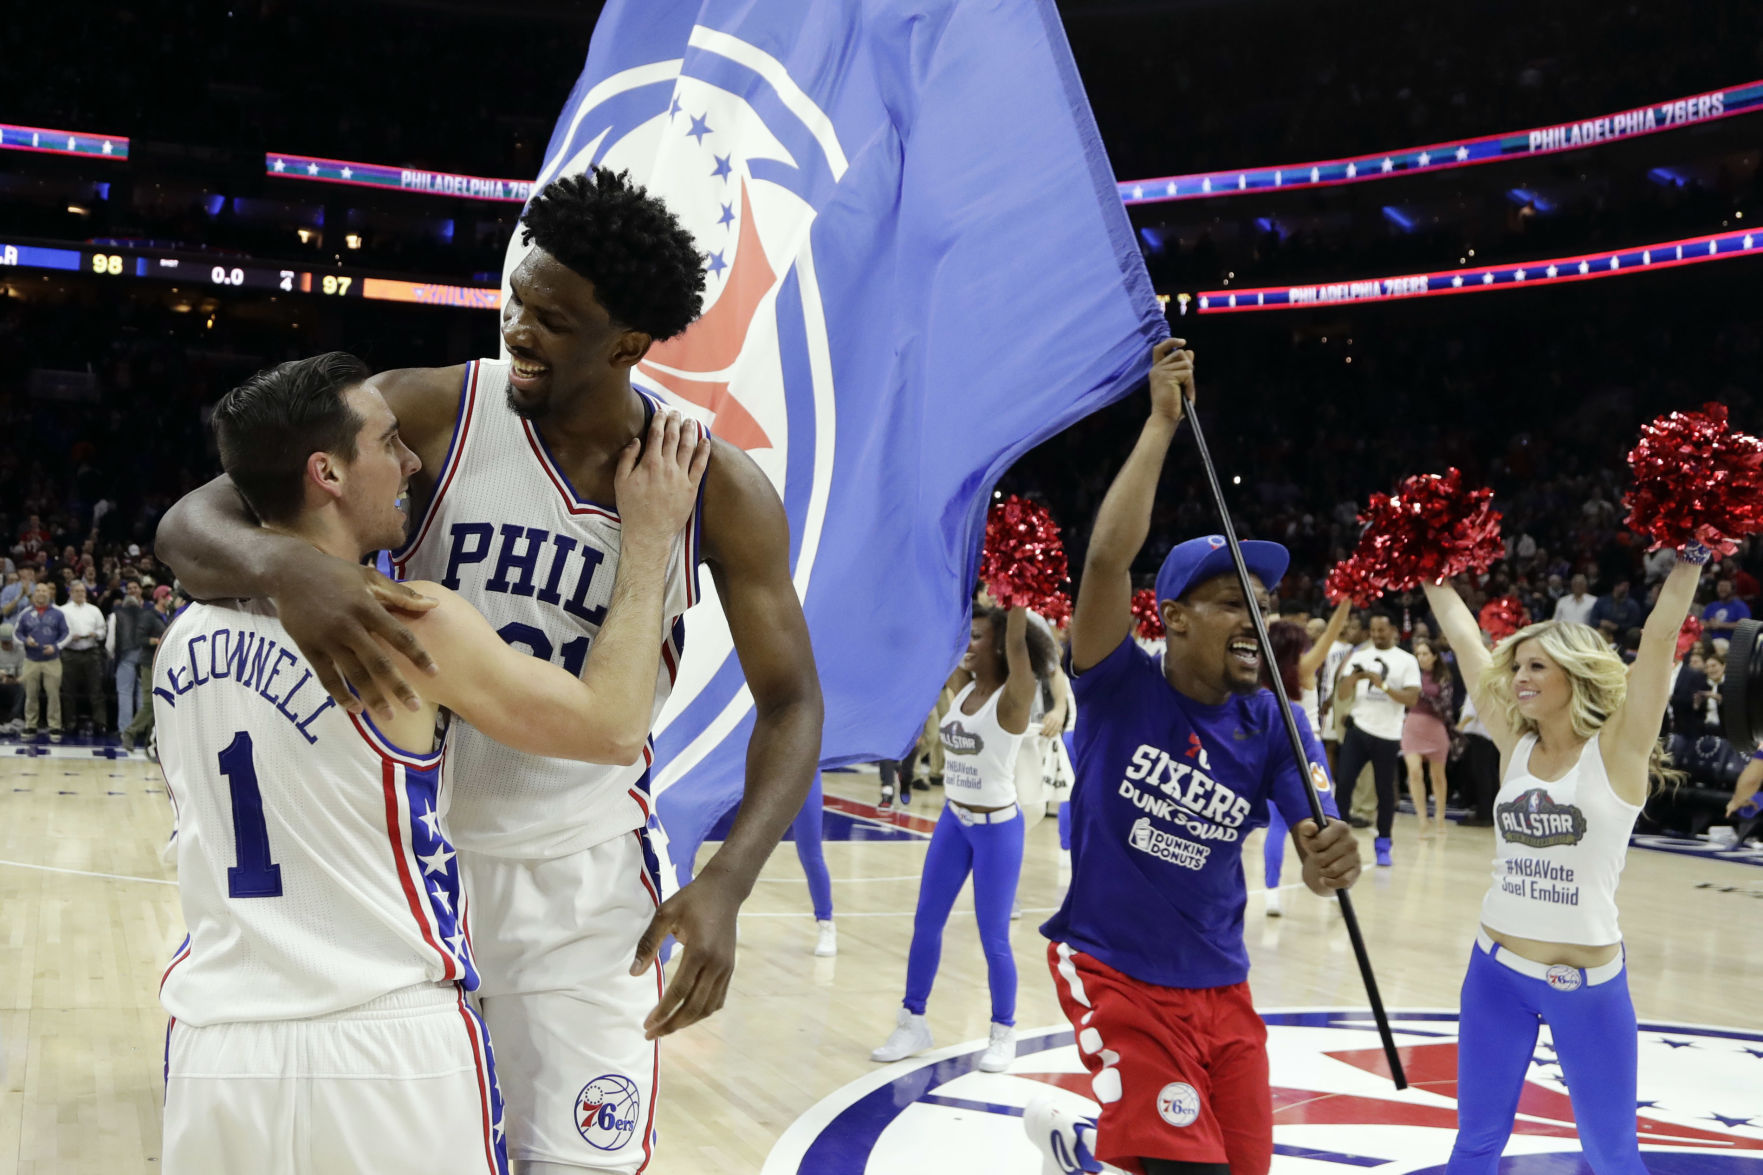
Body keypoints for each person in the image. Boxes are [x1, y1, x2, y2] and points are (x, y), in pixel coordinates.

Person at [156, 167, 824, 1174]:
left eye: (553, 320)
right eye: (518, 298)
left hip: (578, 885)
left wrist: (728, 878)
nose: (519, 328)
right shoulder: (428, 411)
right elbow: (192, 519)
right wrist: (288, 565)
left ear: (628, 344)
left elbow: (792, 700)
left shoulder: (714, 487)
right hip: (410, 879)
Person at [157, 352, 705, 1174]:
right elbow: (614, 726)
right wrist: (652, 539)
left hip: (215, 1045)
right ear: (327, 472)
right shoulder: (405, 624)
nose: (412, 459)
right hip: (386, 1040)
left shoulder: (180, 641)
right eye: (388, 443)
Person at [1025, 340, 1359, 1175]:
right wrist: (1160, 423)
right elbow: (1105, 561)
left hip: (1222, 987)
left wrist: (1331, 857)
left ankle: (1080, 1148)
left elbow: (1320, 857)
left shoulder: (1276, 718)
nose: (1258, 614)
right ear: (1172, 617)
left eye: (1267, 601)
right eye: (1229, 601)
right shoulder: (1116, 683)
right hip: (1114, 972)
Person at [1423, 544, 1704, 1175]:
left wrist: (1691, 556)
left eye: (1537, 667)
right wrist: (1429, 570)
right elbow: (1468, 645)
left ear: (1575, 676)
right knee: (1473, 1144)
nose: (1519, 677)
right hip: (1494, 974)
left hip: (1590, 988)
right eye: (1518, 665)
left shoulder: (1620, 750)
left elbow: (1658, 643)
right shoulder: (1513, 744)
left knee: (1612, 1154)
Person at [871, 601, 1057, 1072]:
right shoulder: (961, 691)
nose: (968, 645)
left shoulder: (1014, 697)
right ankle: (912, 1021)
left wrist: (1012, 590)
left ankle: (1003, 1031)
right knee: (925, 924)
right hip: (953, 823)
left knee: (994, 937)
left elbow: (1018, 642)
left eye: (977, 637)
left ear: (998, 644)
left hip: (998, 830)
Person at [1335, 609, 1422, 866]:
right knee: (1345, 785)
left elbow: (1412, 699)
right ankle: (1338, 841)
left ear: (1393, 630)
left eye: (1381, 630)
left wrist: (1382, 685)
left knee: (1385, 792)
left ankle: (1383, 843)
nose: (1376, 634)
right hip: (1359, 728)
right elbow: (1341, 695)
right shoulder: (1360, 656)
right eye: (1372, 630)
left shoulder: (1406, 660)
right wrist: (1353, 678)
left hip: (1388, 734)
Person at [1401, 637, 1455, 838]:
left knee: (1437, 776)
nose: (1421, 658)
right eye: (1418, 654)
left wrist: (1421, 694)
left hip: (1435, 727)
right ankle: (1422, 818)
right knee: (1414, 772)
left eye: (1425, 654)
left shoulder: (1444, 677)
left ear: (1434, 656)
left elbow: (1444, 705)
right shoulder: (1410, 674)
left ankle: (1440, 816)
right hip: (1413, 725)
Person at [121, 585, 173, 751]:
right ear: (160, 597)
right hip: (148, 663)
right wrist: (156, 641)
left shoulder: (167, 616)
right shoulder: (149, 616)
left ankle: (150, 741)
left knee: (160, 704)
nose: (169, 600)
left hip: (163, 665)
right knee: (150, 703)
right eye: (167, 597)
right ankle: (130, 732)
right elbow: (139, 638)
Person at [15, 582, 68, 741]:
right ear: (34, 594)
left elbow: (67, 633)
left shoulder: (58, 612)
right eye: (38, 590)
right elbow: (16, 634)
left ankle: (55, 727)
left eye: (44, 591)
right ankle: (31, 725)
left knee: (53, 694)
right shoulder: (25, 613)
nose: (41, 593)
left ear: (49, 594)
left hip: (52, 660)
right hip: (31, 660)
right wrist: (25, 640)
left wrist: (56, 646)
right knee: (31, 694)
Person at [58, 579, 107, 735]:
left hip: (91, 651)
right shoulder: (62, 610)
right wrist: (70, 637)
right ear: (70, 593)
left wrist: (96, 634)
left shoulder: (94, 610)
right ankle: (70, 722)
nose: (80, 594)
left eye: (83, 591)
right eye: (77, 591)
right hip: (70, 652)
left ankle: (100, 723)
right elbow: (59, 632)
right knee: (68, 691)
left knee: (96, 690)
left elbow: (102, 630)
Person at [109, 578, 151, 732]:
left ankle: (125, 729)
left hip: (125, 657)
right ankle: (142, 728)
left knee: (125, 693)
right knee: (142, 693)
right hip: (144, 657)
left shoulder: (116, 614)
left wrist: (111, 656)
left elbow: (110, 643)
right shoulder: (148, 613)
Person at [0, 623, 23, 732]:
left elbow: (23, 674)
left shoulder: (20, 651)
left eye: (8, 642)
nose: (6, 645)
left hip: (14, 683)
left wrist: (13, 680)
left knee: (24, 686)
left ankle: (14, 717)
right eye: (3, 642)